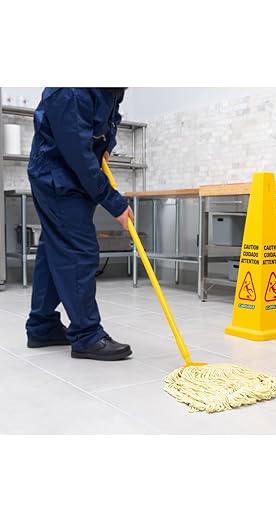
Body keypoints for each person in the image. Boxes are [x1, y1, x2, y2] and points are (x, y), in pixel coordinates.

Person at [25, 88, 134, 361]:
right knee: (78, 251)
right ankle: (87, 336)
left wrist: (107, 146)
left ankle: (42, 327)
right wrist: (115, 203)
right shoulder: (70, 90)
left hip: (71, 175)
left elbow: (112, 116)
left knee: (53, 250)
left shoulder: (110, 87)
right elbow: (80, 158)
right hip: (57, 176)